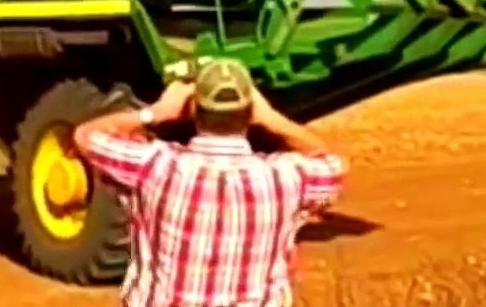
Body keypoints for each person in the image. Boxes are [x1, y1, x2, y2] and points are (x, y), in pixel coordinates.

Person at [73, 58, 349, 307]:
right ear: (250, 111)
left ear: (193, 109)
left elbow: (85, 136)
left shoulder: (155, 166)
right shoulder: (283, 178)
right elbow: (333, 164)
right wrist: (271, 118)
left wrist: (154, 113)